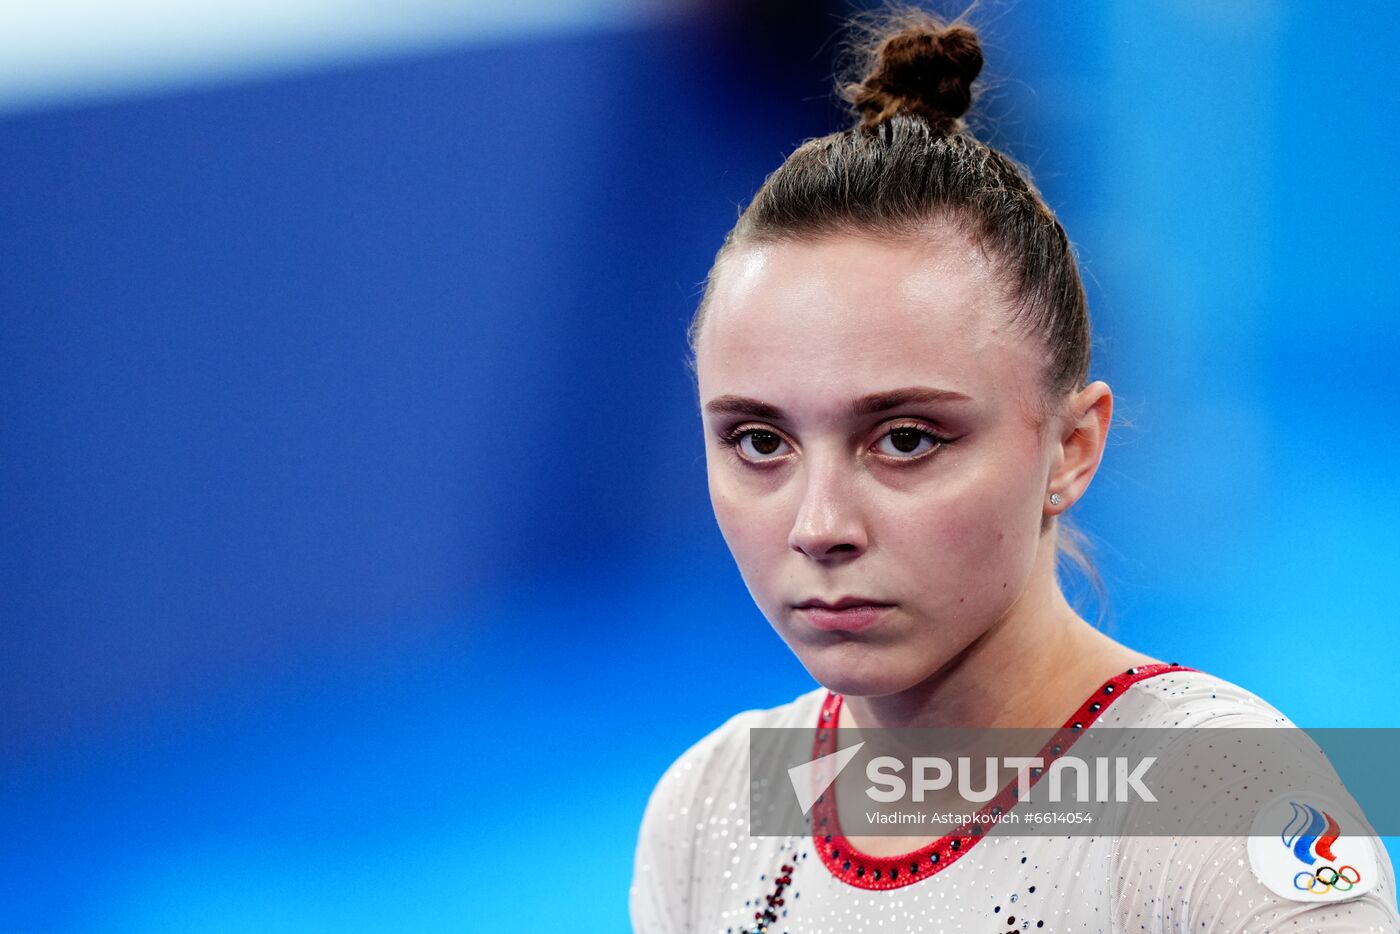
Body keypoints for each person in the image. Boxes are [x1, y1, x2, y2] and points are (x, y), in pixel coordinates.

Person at [630, 10, 1399, 933]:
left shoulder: (1231, 808)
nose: (818, 522)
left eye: (906, 438)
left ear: (1071, 449)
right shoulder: (713, 807)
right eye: (760, 442)